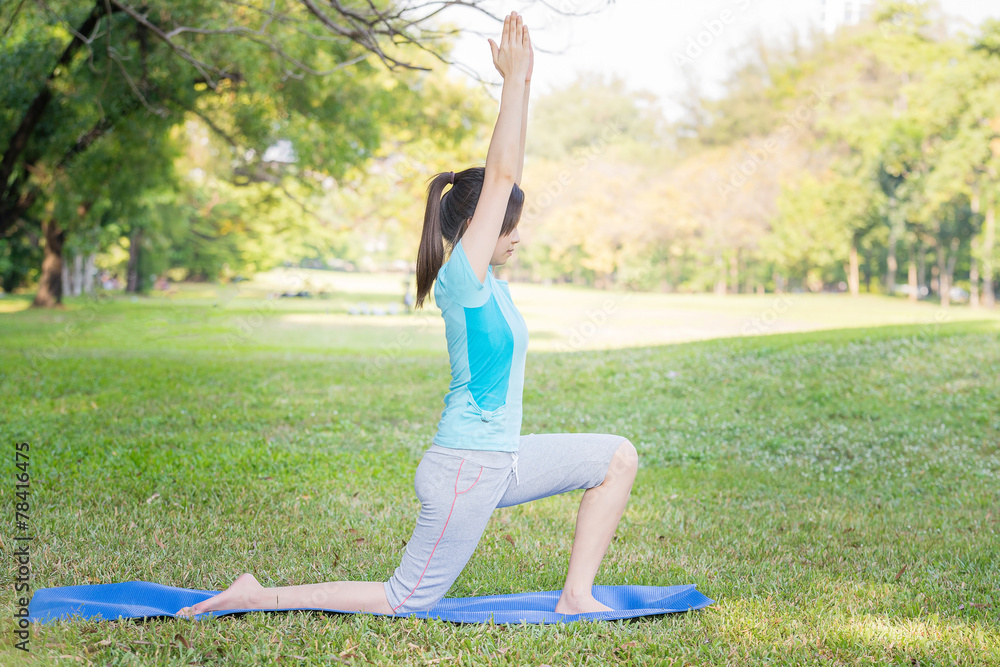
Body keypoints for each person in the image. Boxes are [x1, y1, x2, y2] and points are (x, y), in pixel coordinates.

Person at [176, 10, 637, 620]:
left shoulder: (493, 283)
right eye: (509, 224)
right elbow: (502, 173)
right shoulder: (463, 282)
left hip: (503, 460)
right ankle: (258, 595)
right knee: (406, 598)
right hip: (466, 472)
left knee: (616, 457)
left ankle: (576, 595)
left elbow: (506, 179)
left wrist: (524, 91)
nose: (517, 236)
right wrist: (516, 82)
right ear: (476, 229)